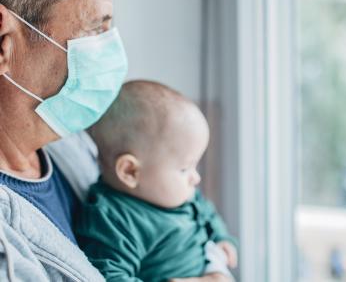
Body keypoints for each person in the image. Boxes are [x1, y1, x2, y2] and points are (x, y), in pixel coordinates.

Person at [0, 0, 233, 281]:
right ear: (3, 43)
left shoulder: (71, 140)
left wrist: (216, 263)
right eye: (95, 28)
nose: (110, 48)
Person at [75, 80, 238, 282]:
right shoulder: (113, 220)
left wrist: (222, 238)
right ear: (130, 171)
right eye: (184, 168)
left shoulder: (180, 193)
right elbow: (110, 276)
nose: (195, 178)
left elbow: (207, 212)